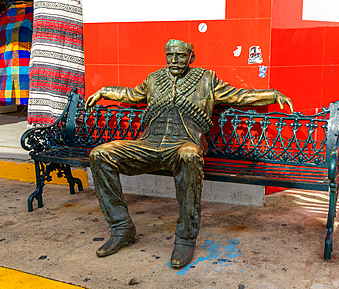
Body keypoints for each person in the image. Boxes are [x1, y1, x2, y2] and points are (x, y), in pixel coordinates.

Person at [85, 39, 294, 269]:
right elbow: (132, 94)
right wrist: (105, 91)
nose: (174, 60)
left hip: (184, 144)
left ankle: (185, 238)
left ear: (191, 57)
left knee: (190, 156)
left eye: (181, 56)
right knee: (100, 154)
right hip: (149, 144)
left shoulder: (206, 79)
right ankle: (121, 228)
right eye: (170, 55)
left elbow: (240, 96)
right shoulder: (154, 79)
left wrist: (272, 95)